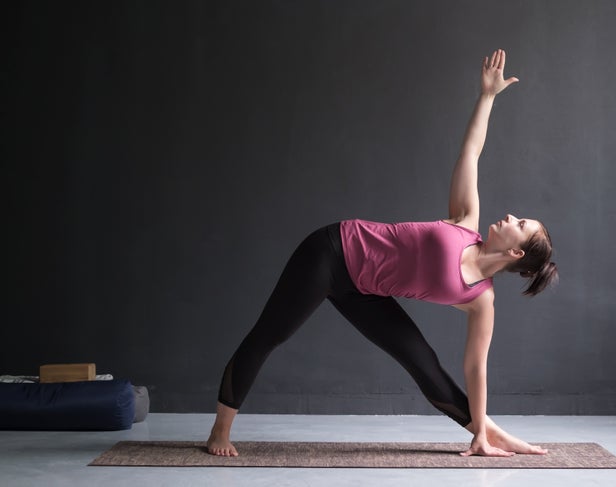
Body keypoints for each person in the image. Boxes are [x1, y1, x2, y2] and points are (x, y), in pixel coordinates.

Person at [207, 49, 558, 458]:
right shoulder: (466, 222)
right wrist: (487, 97)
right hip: (332, 252)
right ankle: (220, 431)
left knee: (422, 361)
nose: (511, 215)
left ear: (516, 251)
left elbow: (475, 369)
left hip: (364, 290)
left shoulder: (482, 300)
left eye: (521, 223)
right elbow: (471, 154)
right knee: (271, 334)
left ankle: (487, 434)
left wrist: (479, 426)